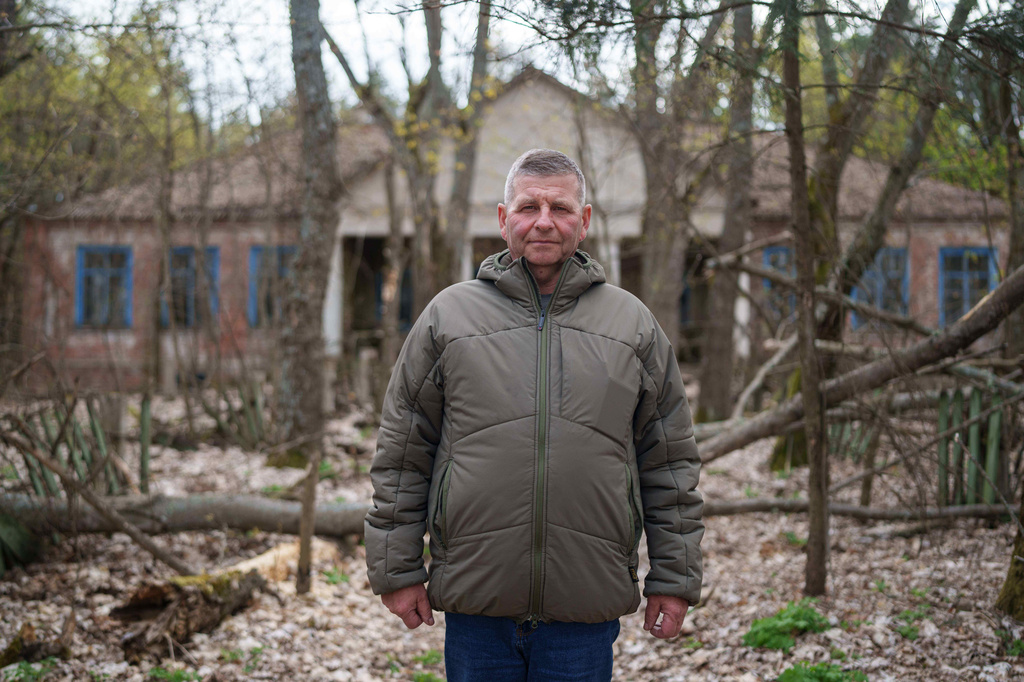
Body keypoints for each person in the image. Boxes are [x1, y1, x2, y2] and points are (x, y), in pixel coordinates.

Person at [365, 148, 704, 681]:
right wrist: (396, 568)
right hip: (478, 603)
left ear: (584, 221)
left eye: (561, 208)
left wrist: (674, 577)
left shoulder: (632, 324)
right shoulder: (448, 318)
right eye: (528, 206)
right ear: (504, 220)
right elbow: (404, 452)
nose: (544, 221)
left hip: (583, 609)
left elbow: (669, 462)